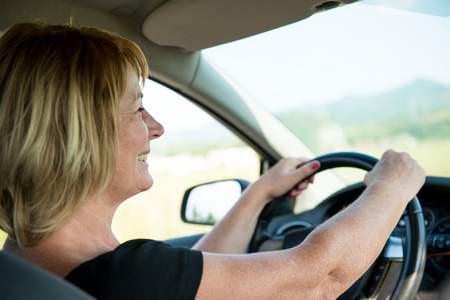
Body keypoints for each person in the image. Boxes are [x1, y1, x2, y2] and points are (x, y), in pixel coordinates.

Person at [0, 22, 426, 300]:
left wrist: (257, 194)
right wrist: (394, 183)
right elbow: (322, 277)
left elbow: (184, 283)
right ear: (79, 134)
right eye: (137, 109)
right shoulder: (123, 276)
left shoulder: (23, 261)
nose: (157, 127)